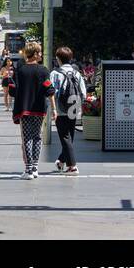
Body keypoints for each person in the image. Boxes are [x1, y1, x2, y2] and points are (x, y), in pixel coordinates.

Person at [7, 39, 57, 179]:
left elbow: (12, 91)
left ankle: (28, 170)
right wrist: (54, 109)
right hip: (39, 109)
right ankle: (35, 168)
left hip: (24, 109)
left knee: (27, 137)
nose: (41, 54)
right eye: (40, 52)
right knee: (37, 137)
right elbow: (49, 90)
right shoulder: (43, 70)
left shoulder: (20, 70)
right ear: (35, 54)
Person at [50, 46, 86, 175]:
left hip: (61, 109)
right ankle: (61, 161)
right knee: (69, 137)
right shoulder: (76, 73)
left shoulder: (55, 74)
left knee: (65, 137)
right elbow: (83, 92)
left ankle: (72, 166)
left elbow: (51, 92)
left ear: (58, 59)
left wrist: (52, 109)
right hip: (74, 107)